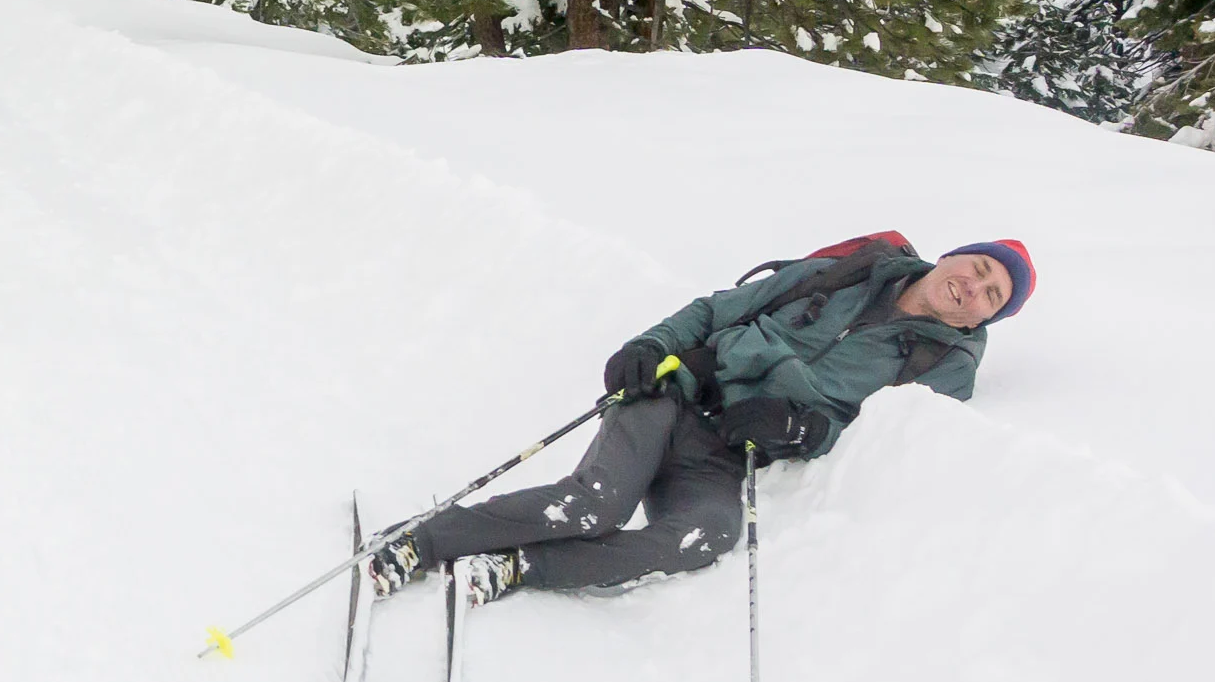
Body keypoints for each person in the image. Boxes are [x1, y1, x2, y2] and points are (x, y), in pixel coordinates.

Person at [367, 237, 1035, 602]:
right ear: (952, 256)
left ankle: (519, 569)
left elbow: (874, 439)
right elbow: (721, 308)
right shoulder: (851, 272)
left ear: (983, 320)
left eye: (990, 296)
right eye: (977, 269)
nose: (973, 287)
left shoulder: (945, 367)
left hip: (729, 452)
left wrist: (801, 430)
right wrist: (651, 346)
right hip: (680, 396)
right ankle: (418, 541)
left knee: (705, 537)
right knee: (591, 504)